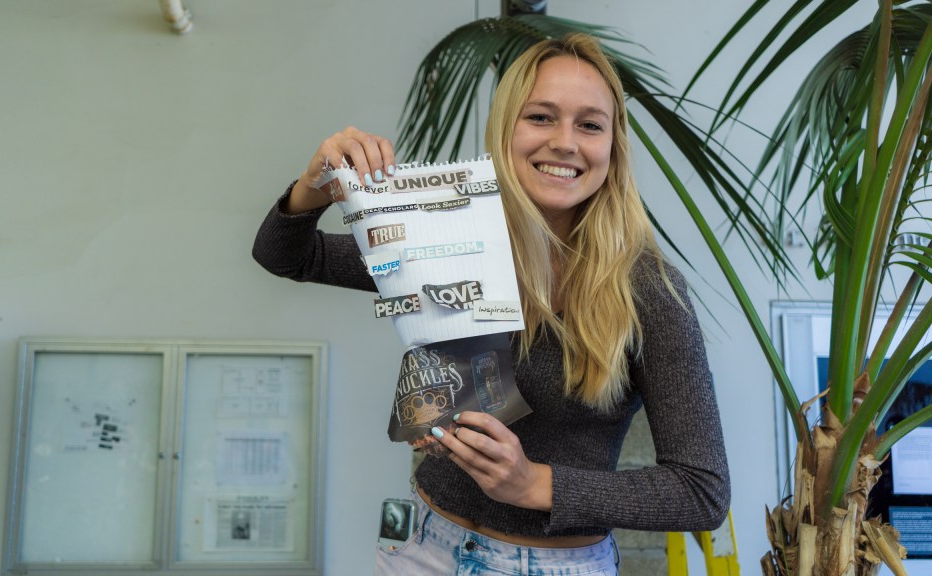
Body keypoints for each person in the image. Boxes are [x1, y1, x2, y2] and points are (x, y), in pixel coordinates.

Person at [253, 33, 730, 576]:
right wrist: (314, 186)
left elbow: (701, 492)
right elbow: (285, 255)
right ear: (505, 130)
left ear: (613, 148)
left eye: (590, 124)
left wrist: (534, 485)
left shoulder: (648, 290)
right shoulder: (445, 243)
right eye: (541, 117)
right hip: (419, 545)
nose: (566, 142)